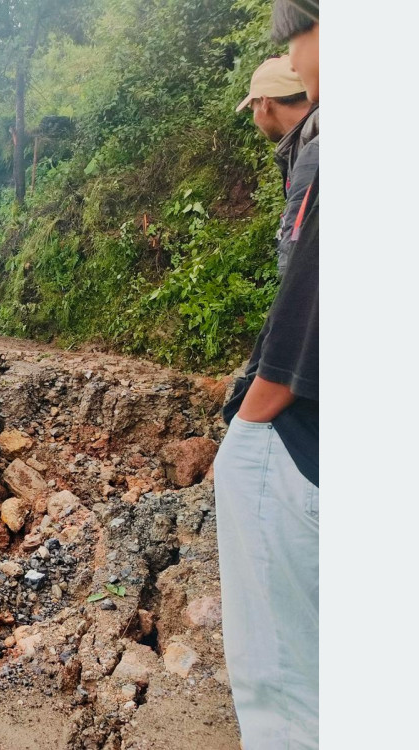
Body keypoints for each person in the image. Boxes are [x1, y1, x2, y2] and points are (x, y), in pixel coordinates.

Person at [214, 2, 318, 749]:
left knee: (281, 657)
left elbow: (311, 289)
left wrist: (256, 405)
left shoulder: (321, 149)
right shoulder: (310, 147)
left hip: (305, 411)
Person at [237, 55, 318, 275]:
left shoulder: (314, 149)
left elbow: (298, 254)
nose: (254, 118)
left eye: (252, 107)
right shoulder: (303, 141)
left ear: (264, 102)